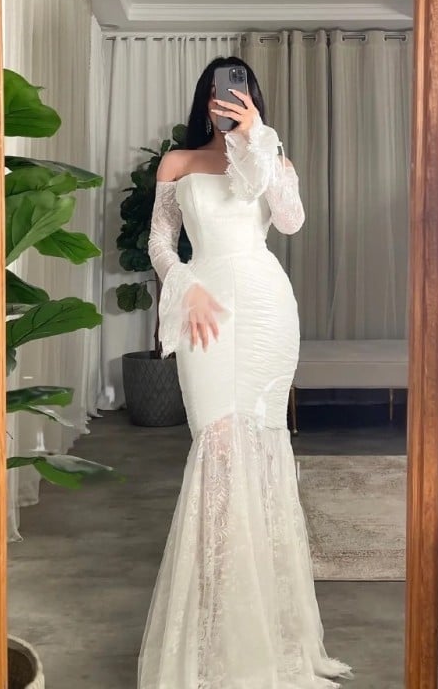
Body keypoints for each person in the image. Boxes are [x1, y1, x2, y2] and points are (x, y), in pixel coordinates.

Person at [138, 56, 351, 689]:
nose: (223, 99)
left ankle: (269, 635)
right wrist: (184, 286)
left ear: (250, 98)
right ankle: (216, 635)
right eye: (214, 91)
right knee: (218, 448)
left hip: (264, 308)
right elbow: (158, 242)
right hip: (205, 307)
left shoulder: (269, 157)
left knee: (260, 449)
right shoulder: (177, 163)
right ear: (203, 98)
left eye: (235, 92)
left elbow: (290, 220)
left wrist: (257, 139)